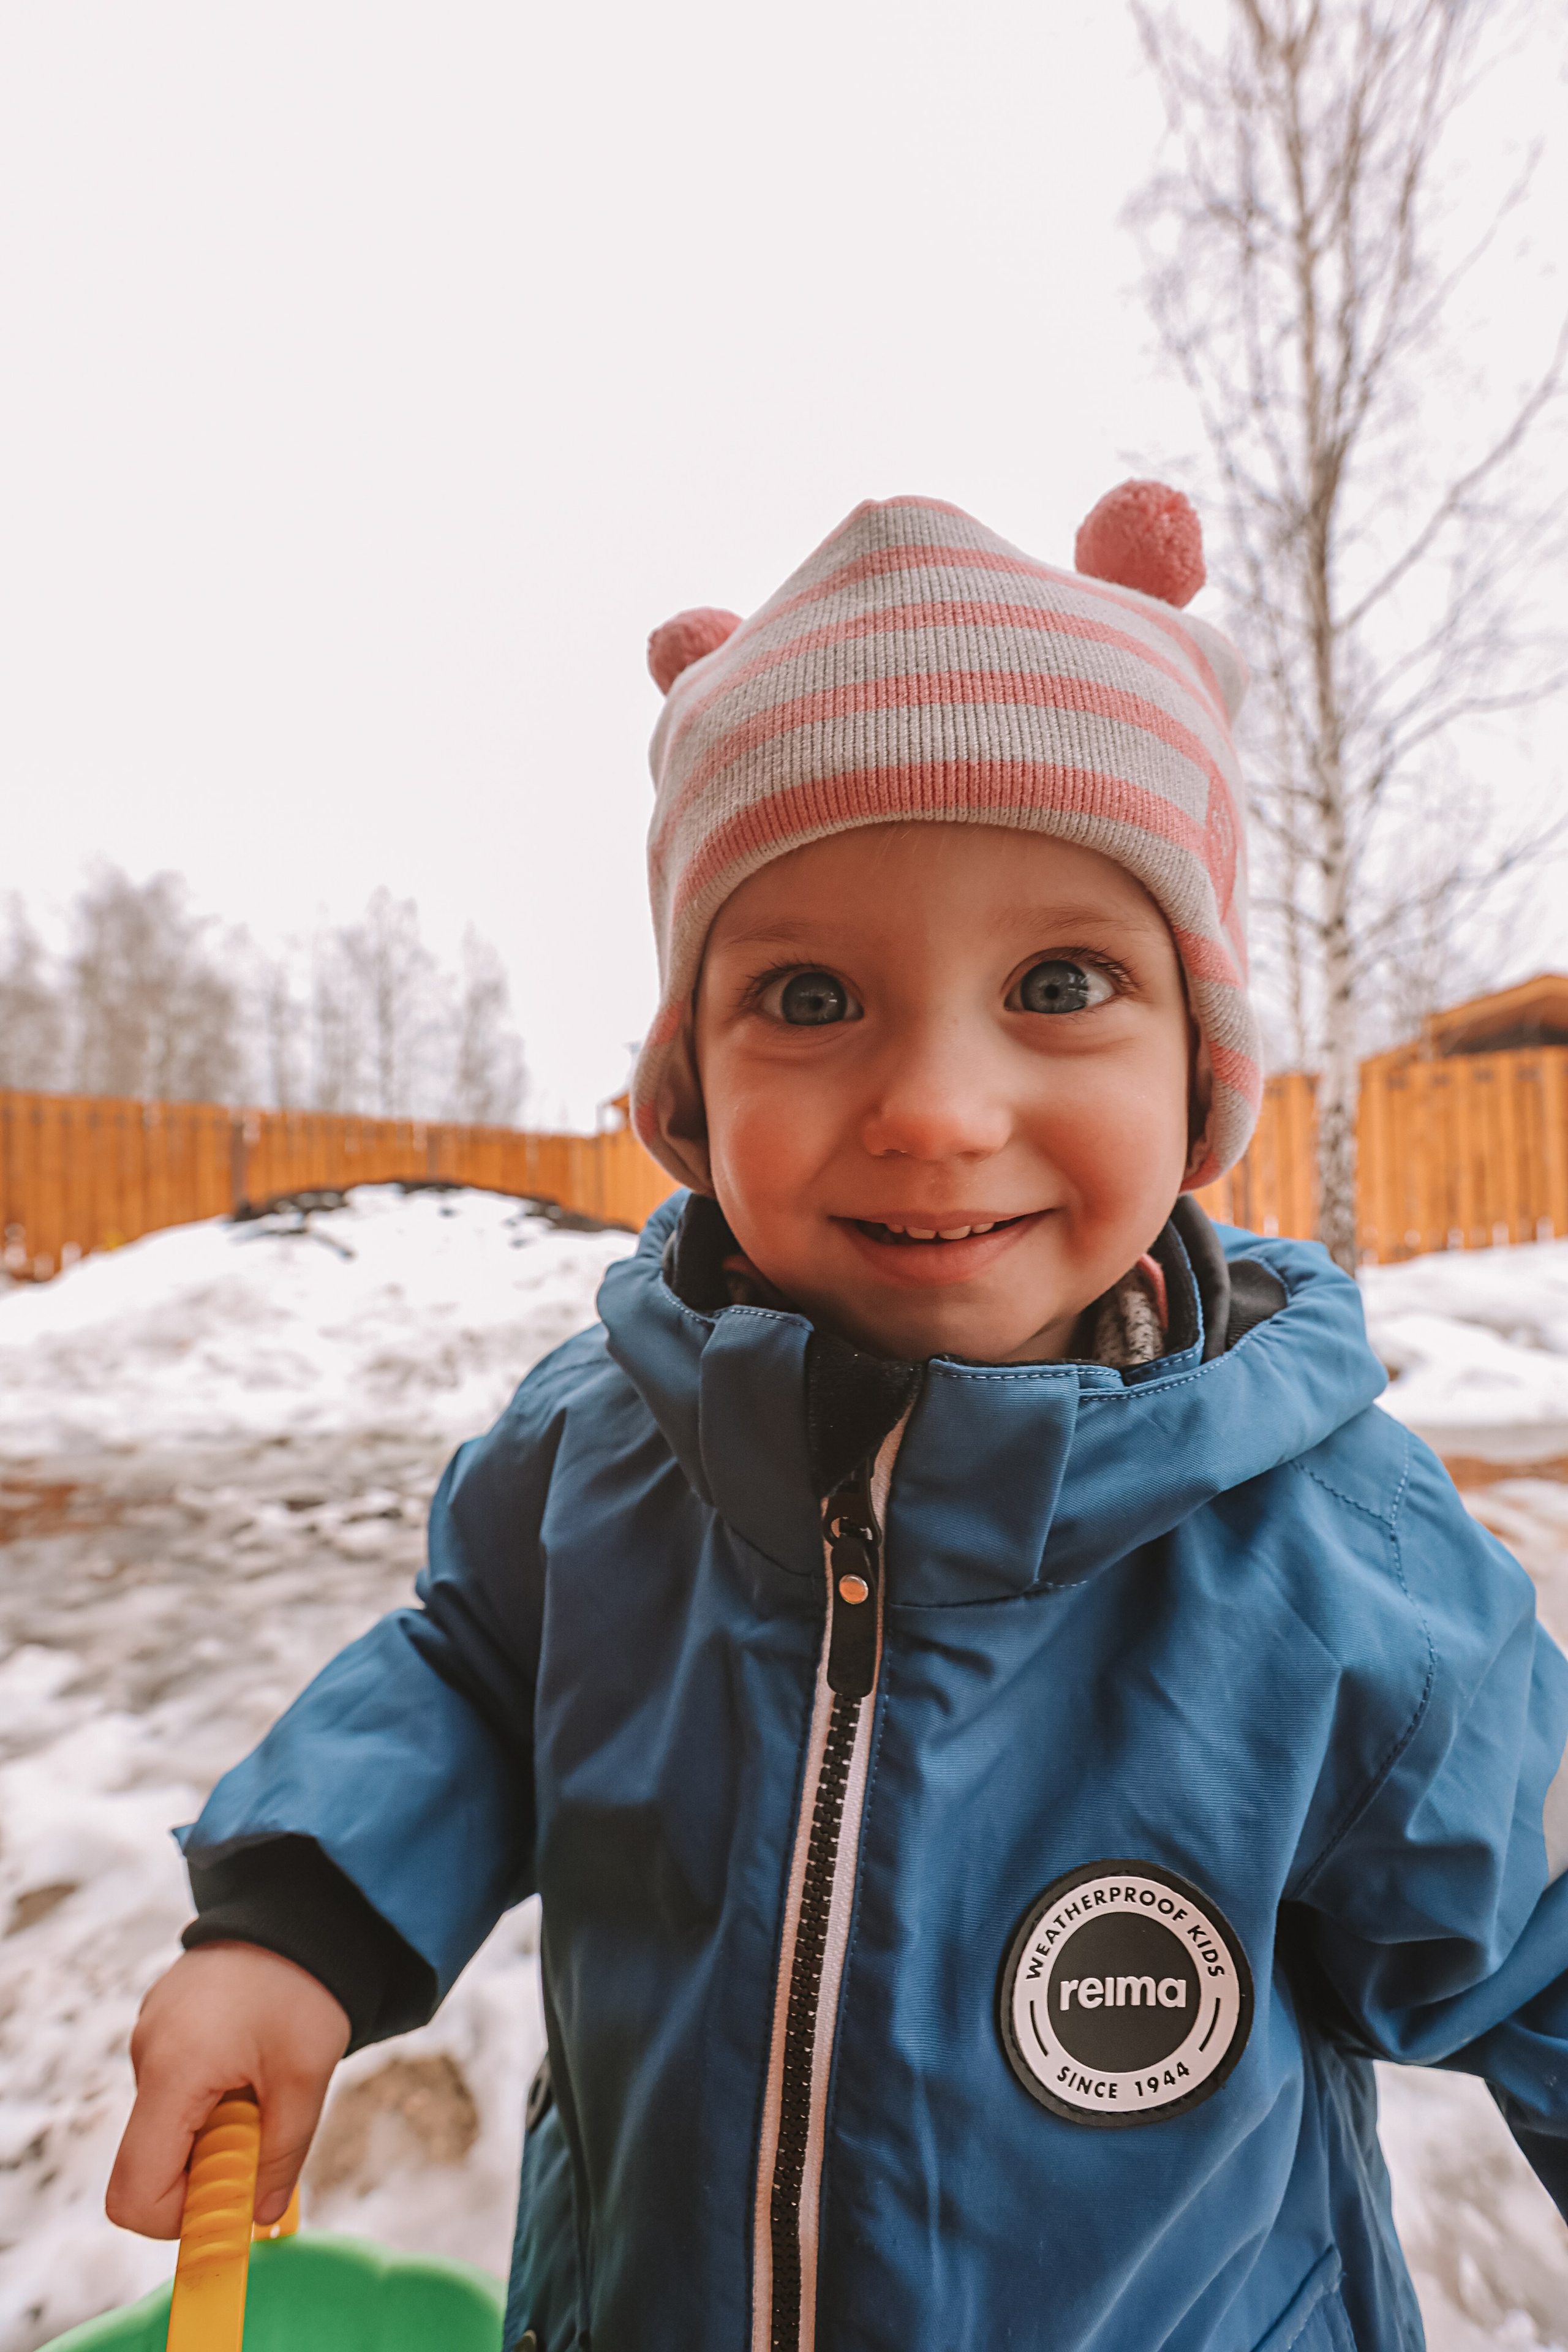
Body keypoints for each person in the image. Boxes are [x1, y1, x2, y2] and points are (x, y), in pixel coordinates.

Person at [107, 487, 1568, 2352]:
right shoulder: (601, 1454)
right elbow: (470, 1683)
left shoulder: (1330, 1558)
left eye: (1059, 985)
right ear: (688, 1099)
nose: (937, 1108)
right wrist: (296, 1924)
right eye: (812, 996)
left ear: (1201, 1075)